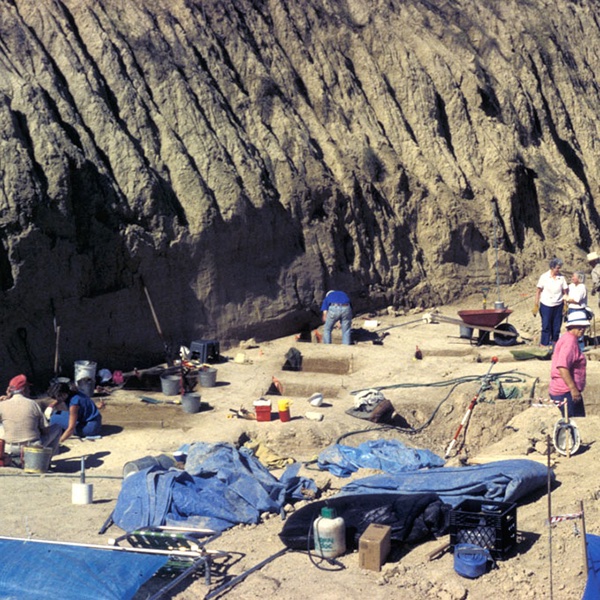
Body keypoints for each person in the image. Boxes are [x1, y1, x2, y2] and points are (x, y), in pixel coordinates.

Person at [0, 375, 62, 462]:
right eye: (28, 388)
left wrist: (4, 399)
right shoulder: (33, 404)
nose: (29, 391)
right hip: (31, 448)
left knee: (1, 427)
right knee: (57, 428)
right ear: (24, 389)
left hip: (9, 448)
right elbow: (45, 430)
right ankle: (46, 461)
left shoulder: (2, 405)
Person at [549, 310, 589, 418]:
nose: (582, 330)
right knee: (573, 425)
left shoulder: (568, 339)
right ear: (571, 327)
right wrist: (573, 389)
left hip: (563, 391)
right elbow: (562, 367)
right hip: (566, 392)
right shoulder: (570, 342)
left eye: (584, 327)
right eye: (579, 327)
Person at [534, 258, 568, 347]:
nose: (558, 270)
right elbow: (538, 291)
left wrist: (565, 304)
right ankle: (544, 344)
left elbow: (565, 291)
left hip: (558, 305)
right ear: (552, 267)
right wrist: (536, 304)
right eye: (557, 268)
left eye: (559, 268)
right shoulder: (544, 277)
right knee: (546, 325)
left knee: (556, 326)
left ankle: (555, 344)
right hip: (546, 305)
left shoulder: (561, 278)